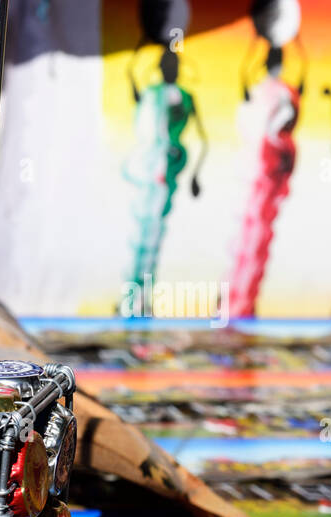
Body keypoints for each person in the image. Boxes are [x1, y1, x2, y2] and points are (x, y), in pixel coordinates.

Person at [121, 48, 207, 316]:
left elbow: (203, 139)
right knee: (142, 236)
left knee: (152, 234)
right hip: (149, 173)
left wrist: (195, 174)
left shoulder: (182, 98)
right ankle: (133, 298)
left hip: (165, 173)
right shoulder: (151, 94)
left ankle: (141, 298)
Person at [225, 45, 301, 318]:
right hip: (264, 173)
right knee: (253, 239)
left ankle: (239, 303)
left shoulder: (261, 91)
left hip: (258, 173)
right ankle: (240, 303)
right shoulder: (282, 94)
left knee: (248, 238)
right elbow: (281, 132)